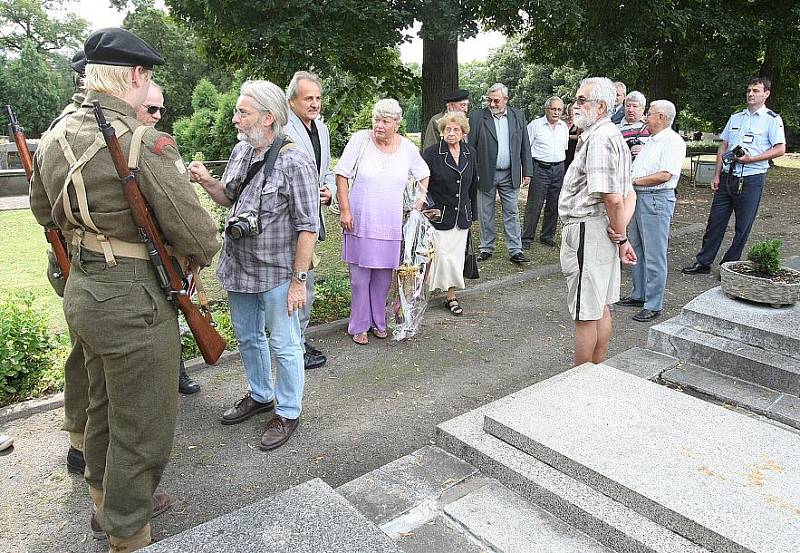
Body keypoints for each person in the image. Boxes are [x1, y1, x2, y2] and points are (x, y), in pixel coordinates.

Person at [29, 28, 220, 552]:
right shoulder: (140, 140)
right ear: (135, 76)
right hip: (136, 301)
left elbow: (44, 212)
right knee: (143, 427)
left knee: (103, 408)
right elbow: (199, 234)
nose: (150, 85)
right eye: (149, 76)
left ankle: (101, 502)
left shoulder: (56, 135)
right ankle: (128, 534)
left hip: (85, 291)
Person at [189, 80, 318, 451]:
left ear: (268, 117)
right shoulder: (241, 151)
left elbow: (308, 226)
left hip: (278, 273)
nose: (235, 119)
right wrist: (207, 181)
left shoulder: (295, 160)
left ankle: (289, 410)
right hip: (239, 268)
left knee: (284, 344)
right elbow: (229, 198)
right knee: (247, 337)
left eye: (241, 113)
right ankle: (261, 395)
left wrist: (299, 281)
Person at [335, 98, 430, 345]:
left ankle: (379, 321)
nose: (379, 125)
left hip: (389, 224)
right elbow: (342, 174)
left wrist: (416, 208)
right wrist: (345, 210)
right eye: (376, 119)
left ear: (396, 124)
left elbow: (424, 174)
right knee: (359, 278)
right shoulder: (360, 140)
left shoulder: (407, 148)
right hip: (359, 221)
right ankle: (359, 325)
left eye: (385, 121)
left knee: (382, 280)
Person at [558, 77, 637, 367]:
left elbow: (615, 198)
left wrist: (622, 236)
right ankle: (595, 372)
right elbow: (629, 195)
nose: (574, 105)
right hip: (598, 231)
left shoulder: (601, 138)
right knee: (600, 306)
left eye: (581, 100)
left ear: (601, 106)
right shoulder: (610, 135)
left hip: (587, 231)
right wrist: (621, 236)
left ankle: (580, 381)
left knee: (585, 313)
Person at [134, 81, 201, 394]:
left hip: (163, 244)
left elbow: (179, 199)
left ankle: (178, 372)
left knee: (171, 307)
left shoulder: (158, 143)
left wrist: (191, 251)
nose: (157, 115)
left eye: (160, 108)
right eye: (151, 108)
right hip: (129, 250)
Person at [682, 77, 786, 275]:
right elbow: (724, 145)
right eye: (749, 90)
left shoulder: (772, 119)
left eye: (756, 90)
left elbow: (780, 149)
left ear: (766, 94)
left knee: (743, 225)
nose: (750, 94)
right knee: (715, 221)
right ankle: (703, 262)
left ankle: (729, 267)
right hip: (728, 176)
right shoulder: (736, 117)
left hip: (752, 177)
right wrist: (717, 174)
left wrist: (753, 159)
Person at [284, 70, 336, 371]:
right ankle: (293, 345)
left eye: (317, 98)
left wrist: (328, 189)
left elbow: (324, 169)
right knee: (298, 283)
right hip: (289, 222)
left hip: (311, 220)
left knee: (305, 282)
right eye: (308, 99)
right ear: (292, 101)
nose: (314, 104)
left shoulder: (322, 129)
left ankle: (296, 340)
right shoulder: (282, 129)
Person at [616, 100, 685, 322]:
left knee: (654, 253)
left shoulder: (673, 141)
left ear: (662, 117)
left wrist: (633, 180)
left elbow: (665, 174)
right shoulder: (652, 140)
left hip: (656, 198)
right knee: (636, 247)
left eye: (650, 113)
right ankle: (639, 293)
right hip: (639, 196)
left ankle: (653, 303)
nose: (646, 116)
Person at [468, 83, 533, 264]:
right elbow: (470, 148)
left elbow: (525, 145)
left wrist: (527, 171)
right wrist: (473, 173)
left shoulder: (517, 116)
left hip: (510, 173)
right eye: (489, 100)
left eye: (496, 100)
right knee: (485, 212)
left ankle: (515, 250)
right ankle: (486, 247)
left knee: (512, 212)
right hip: (485, 173)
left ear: (506, 99)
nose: (492, 104)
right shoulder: (477, 117)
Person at [421, 111, 478, 315]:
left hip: (461, 216)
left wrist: (473, 215)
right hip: (439, 215)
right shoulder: (431, 153)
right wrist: (428, 207)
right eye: (447, 129)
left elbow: (473, 186)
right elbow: (421, 185)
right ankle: (421, 295)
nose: (451, 133)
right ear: (442, 132)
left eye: (456, 129)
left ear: (463, 132)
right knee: (437, 258)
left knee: (455, 259)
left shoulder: (470, 153)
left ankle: (451, 296)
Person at [522, 96, 569, 248]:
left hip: (559, 168)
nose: (556, 112)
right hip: (540, 168)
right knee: (534, 204)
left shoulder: (563, 127)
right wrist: (527, 171)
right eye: (553, 109)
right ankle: (527, 237)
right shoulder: (535, 125)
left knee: (554, 204)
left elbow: (565, 149)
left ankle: (547, 235)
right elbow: (525, 149)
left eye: (559, 109)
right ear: (546, 109)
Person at [617, 91, 650, 160]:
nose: (630, 110)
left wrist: (645, 150)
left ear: (643, 109)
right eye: (628, 106)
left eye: (635, 106)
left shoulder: (650, 126)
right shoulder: (615, 128)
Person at [564, 102, 580, 170]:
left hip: (572, 148)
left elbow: (579, 136)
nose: (571, 112)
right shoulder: (563, 121)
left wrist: (567, 136)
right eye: (569, 110)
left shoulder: (578, 121)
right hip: (564, 148)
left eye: (572, 110)